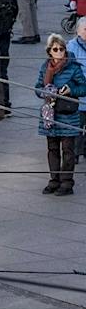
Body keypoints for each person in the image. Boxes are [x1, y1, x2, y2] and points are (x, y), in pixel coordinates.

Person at [36, 34, 86, 194]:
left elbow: (84, 87)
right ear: (49, 51)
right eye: (55, 49)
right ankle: (54, 180)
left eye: (62, 49)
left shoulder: (73, 67)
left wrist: (71, 90)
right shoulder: (45, 67)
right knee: (52, 148)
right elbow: (37, 87)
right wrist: (45, 91)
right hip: (50, 114)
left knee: (68, 150)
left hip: (68, 114)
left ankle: (66, 182)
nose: (59, 52)